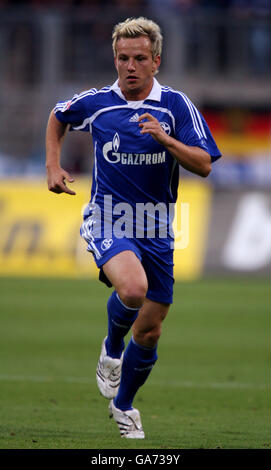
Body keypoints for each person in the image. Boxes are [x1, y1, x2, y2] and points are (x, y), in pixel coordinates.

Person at [45, 17, 221, 439]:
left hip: (157, 226)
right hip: (108, 218)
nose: (130, 66)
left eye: (140, 58)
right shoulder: (99, 102)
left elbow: (203, 164)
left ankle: (123, 406)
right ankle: (110, 349)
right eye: (123, 58)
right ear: (115, 59)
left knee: (152, 327)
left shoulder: (175, 107)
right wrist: (52, 163)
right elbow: (58, 115)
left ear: (156, 61)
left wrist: (166, 140)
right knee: (132, 289)